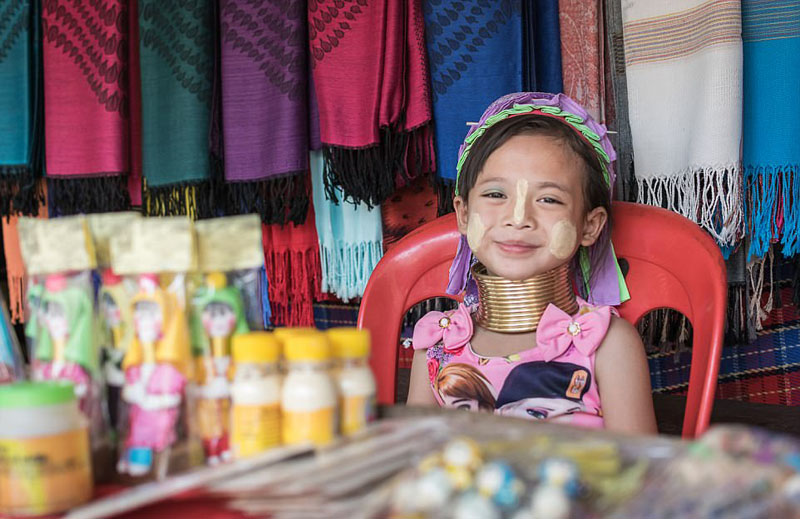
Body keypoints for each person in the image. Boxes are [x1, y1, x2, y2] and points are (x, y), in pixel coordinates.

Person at [407, 92, 657, 435]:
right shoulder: (438, 342)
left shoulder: (606, 345)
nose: (519, 217)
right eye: (496, 194)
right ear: (463, 214)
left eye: (549, 199)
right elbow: (414, 454)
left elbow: (639, 462)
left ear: (590, 225)